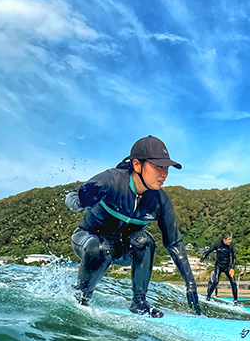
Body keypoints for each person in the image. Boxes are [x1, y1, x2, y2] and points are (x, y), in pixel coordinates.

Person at [63, 136, 200, 317]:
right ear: (137, 165)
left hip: (121, 249)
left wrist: (190, 284)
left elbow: (174, 243)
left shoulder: (160, 201)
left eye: (166, 167)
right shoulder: (110, 181)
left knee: (145, 241)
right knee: (102, 248)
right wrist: (79, 202)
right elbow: (72, 197)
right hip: (88, 240)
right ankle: (80, 298)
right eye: (158, 166)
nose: (164, 173)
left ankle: (139, 302)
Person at [200, 233, 239, 301]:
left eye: (231, 239)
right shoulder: (217, 244)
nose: (230, 241)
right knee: (215, 281)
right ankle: (208, 297)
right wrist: (201, 260)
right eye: (229, 239)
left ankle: (235, 300)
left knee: (233, 282)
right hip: (218, 266)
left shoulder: (231, 246)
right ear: (224, 239)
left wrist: (232, 268)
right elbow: (208, 251)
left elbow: (234, 257)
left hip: (227, 267)